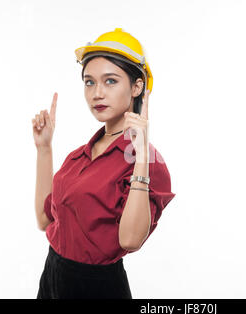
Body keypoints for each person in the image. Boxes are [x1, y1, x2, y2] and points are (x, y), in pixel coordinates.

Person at [32, 28, 176, 299]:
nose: (97, 93)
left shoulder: (148, 161)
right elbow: (44, 220)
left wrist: (141, 155)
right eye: (89, 82)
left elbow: (130, 240)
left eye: (110, 81)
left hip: (97, 287)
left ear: (137, 86)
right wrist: (44, 148)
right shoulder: (78, 156)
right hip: (52, 276)